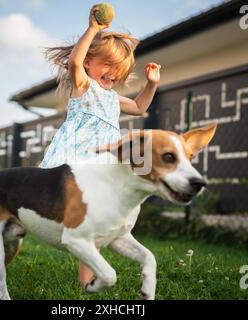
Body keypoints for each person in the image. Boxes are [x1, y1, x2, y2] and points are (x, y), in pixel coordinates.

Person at [39, 5, 161, 287]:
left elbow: (141, 106)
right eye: (107, 65)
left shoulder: (113, 98)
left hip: (102, 162)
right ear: (89, 63)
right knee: (57, 204)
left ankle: (86, 284)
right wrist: (93, 29)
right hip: (77, 157)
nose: (113, 74)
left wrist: (152, 84)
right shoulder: (83, 85)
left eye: (118, 70)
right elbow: (73, 63)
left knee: (94, 224)